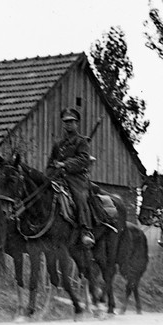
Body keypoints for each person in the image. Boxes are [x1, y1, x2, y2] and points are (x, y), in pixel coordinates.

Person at [47, 107, 95, 249]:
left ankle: (86, 230)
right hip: (58, 178)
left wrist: (65, 164)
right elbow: (51, 162)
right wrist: (48, 175)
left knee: (79, 197)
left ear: (77, 123)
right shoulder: (58, 144)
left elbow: (83, 160)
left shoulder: (81, 142)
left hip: (77, 178)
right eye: (66, 122)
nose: (68, 124)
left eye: (71, 122)